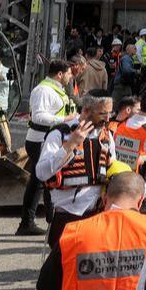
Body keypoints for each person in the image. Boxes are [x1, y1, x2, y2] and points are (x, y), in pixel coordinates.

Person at [36, 94, 115, 250]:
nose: (107, 118)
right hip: (67, 216)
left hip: (96, 216)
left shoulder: (106, 136)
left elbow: (111, 168)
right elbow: (41, 173)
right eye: (102, 113)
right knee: (61, 264)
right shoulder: (59, 134)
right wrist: (70, 144)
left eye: (110, 113)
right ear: (86, 111)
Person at [19, 59, 78, 236]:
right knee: (44, 180)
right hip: (39, 141)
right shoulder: (43, 90)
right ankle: (32, 223)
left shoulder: (56, 89)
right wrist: (64, 120)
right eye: (68, 73)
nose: (71, 76)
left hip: (48, 139)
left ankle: (39, 222)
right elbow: (38, 117)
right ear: (60, 74)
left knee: (42, 181)